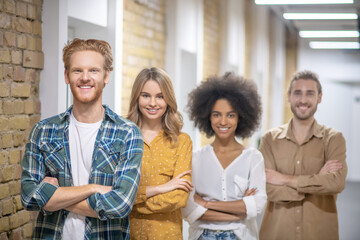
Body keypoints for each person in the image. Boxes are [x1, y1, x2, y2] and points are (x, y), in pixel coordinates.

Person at [21, 38, 144, 240]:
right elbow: (28, 197)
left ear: (106, 75)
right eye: (77, 70)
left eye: (93, 70)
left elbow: (120, 204)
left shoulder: (127, 133)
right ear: (66, 76)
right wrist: (92, 188)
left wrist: (53, 195)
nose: (85, 77)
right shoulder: (43, 131)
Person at [259, 70, 347, 240]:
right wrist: (317, 180)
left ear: (319, 97)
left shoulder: (334, 139)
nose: (303, 100)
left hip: (320, 234)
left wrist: (285, 179)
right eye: (297, 93)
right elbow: (266, 189)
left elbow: (336, 183)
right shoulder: (270, 139)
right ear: (289, 96)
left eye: (310, 93)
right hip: (277, 234)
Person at [182, 72, 267, 240]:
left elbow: (257, 205)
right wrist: (239, 211)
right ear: (207, 116)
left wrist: (206, 204)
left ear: (240, 117)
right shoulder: (195, 158)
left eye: (230, 115)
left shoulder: (253, 158)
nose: (223, 122)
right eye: (216, 114)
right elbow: (189, 209)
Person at [127, 67, 193, 239]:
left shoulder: (181, 141)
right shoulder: (122, 137)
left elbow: (178, 198)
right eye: (146, 95)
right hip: (127, 234)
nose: (152, 103)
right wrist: (162, 188)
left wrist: (130, 202)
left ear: (168, 99)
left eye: (160, 96)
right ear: (137, 97)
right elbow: (113, 190)